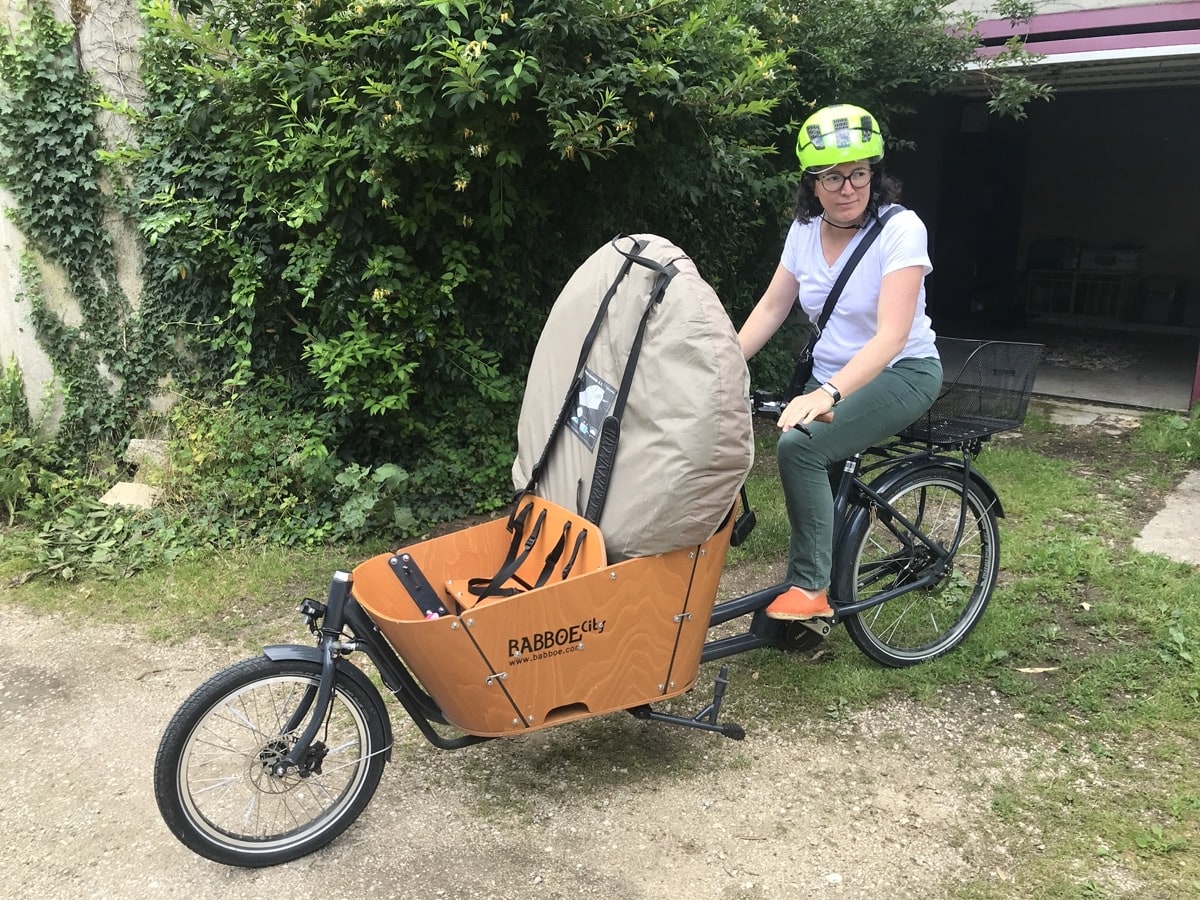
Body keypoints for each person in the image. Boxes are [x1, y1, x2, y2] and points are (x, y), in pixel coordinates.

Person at [737, 103, 943, 620]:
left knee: (800, 449)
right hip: (833, 378)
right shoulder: (804, 232)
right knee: (816, 465)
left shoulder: (901, 230)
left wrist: (825, 394)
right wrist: (722, 366)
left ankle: (809, 588)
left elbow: (893, 335)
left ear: (875, 173)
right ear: (812, 184)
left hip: (905, 373)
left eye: (859, 173)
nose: (848, 188)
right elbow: (771, 306)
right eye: (833, 177)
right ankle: (814, 590)